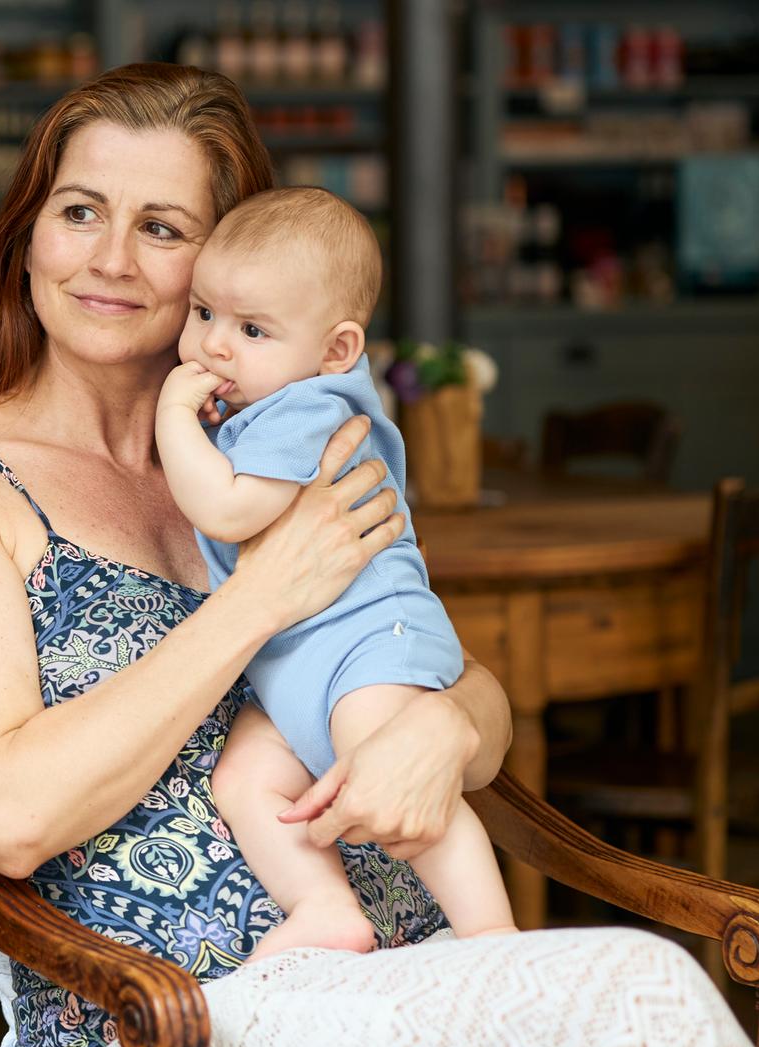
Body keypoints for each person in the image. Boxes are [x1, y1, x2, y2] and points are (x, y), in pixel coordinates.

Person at [0, 62, 759, 1047]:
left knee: (635, 1001)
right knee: (649, 991)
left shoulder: (283, 440)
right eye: (80, 212)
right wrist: (259, 598)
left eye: (161, 228)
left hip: (404, 969)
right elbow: (8, 816)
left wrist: (448, 724)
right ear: (28, 234)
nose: (110, 259)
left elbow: (421, 659)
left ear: (232, 263)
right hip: (177, 1024)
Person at [155, 186, 513, 960]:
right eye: (204, 314)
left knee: (397, 785)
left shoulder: (312, 408)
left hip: (364, 647)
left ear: (336, 351)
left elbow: (226, 509)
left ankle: (493, 941)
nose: (215, 345)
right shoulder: (260, 404)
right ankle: (323, 906)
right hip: (299, 670)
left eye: (251, 329)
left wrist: (170, 421)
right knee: (245, 781)